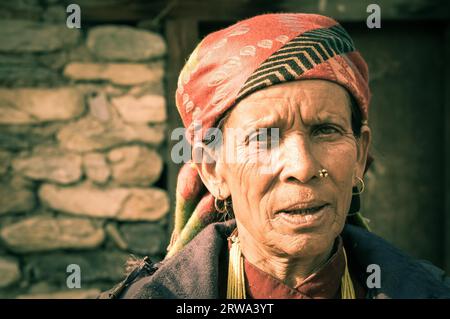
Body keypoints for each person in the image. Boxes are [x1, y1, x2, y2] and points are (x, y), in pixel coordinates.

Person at [100, 13, 450, 299]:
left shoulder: (426, 291)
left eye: (326, 130)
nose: (303, 167)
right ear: (213, 168)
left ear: (360, 154)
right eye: (264, 138)